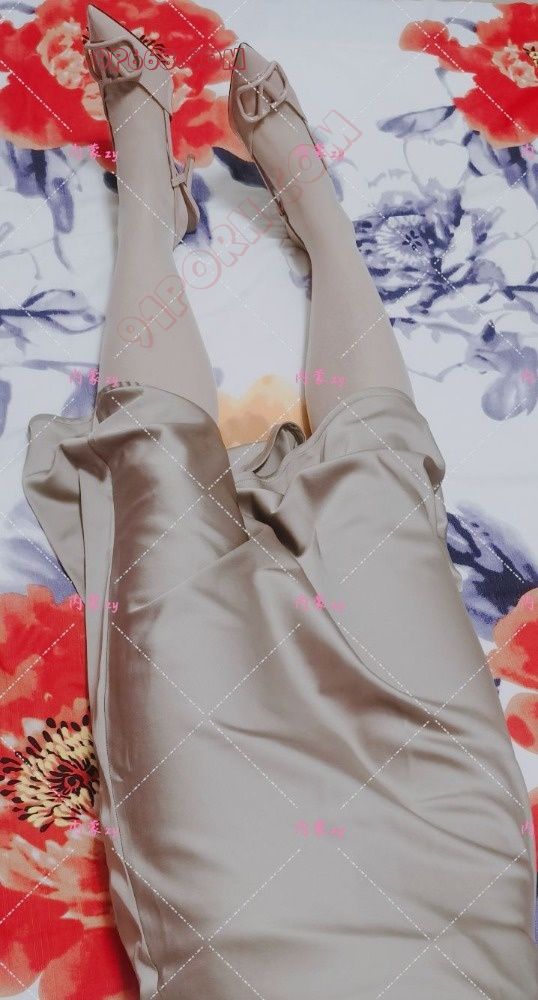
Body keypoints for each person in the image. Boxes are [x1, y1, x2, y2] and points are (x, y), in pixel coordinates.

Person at [22, 7, 537, 998]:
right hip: (451, 883)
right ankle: (318, 213)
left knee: (158, 496)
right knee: (381, 496)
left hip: (243, 932)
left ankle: (147, 196)